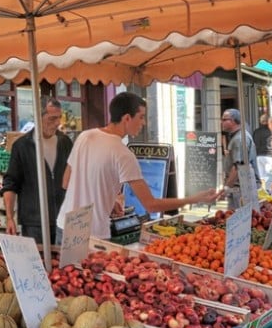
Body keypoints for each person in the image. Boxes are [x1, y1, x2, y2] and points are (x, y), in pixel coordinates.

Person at [57, 92, 221, 240]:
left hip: (64, 226)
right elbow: (151, 205)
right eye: (141, 117)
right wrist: (194, 199)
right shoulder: (123, 153)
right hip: (92, 236)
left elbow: (66, 181)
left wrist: (107, 198)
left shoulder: (85, 136)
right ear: (127, 118)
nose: (143, 122)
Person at [2, 97, 74, 244]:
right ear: (38, 117)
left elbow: (75, 177)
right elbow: (10, 183)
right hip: (34, 222)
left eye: (59, 118)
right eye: (52, 119)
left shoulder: (65, 142)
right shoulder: (21, 146)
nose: (57, 123)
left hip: (63, 218)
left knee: (64, 265)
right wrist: (9, 218)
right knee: (38, 263)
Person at [221, 108, 257, 210]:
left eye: (224, 119)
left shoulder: (239, 139)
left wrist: (226, 188)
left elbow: (238, 167)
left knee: (237, 221)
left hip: (240, 189)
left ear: (233, 121)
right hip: (240, 188)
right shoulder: (238, 136)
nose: (221, 122)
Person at [252, 113, 272, 189]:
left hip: (258, 156)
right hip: (269, 155)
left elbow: (253, 143)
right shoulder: (271, 131)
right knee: (269, 176)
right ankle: (268, 192)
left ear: (261, 122)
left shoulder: (256, 131)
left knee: (261, 177)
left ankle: (262, 191)